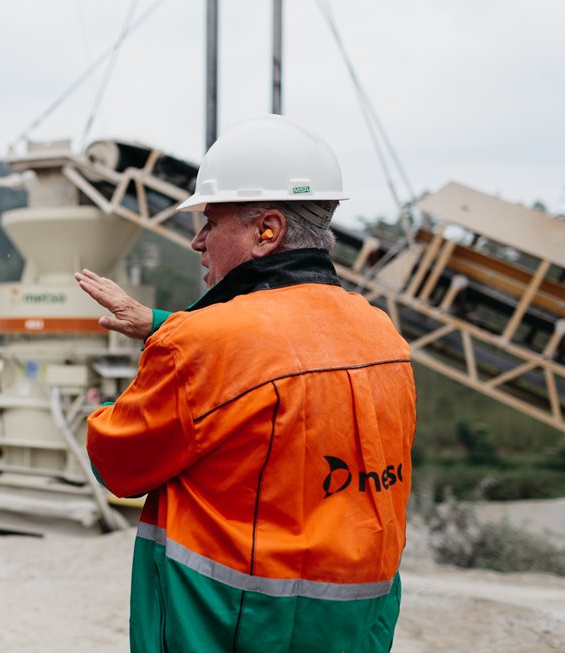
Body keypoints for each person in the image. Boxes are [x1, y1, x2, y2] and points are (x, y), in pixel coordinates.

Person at [75, 114, 415, 652]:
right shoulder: (383, 339)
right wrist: (164, 325)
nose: (198, 242)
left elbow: (115, 462)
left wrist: (165, 351)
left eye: (211, 221)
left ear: (267, 231)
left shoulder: (203, 345)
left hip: (233, 632)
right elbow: (289, 356)